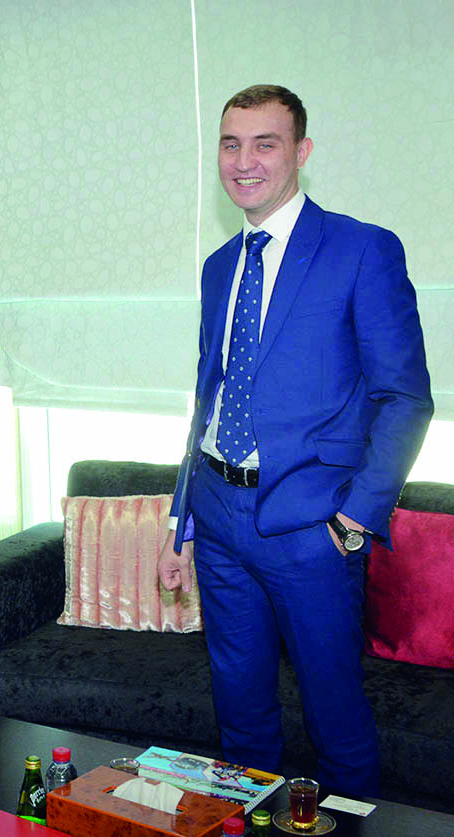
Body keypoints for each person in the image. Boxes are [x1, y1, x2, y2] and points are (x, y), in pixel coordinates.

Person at [157, 86, 432, 796]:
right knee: (242, 724)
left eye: (264, 143)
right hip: (217, 520)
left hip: (312, 529)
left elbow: (404, 397)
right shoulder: (221, 266)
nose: (243, 161)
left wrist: (353, 521)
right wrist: (180, 518)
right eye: (230, 143)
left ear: (301, 152)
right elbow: (207, 396)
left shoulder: (361, 249)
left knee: (336, 726)